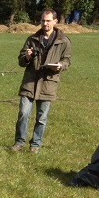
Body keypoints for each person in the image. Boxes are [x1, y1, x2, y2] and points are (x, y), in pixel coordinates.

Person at [11, 9, 71, 153]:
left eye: (48, 21)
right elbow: (21, 60)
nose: (45, 23)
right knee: (23, 114)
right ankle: (19, 142)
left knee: (41, 118)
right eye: (43, 21)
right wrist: (27, 56)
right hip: (30, 83)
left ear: (55, 21)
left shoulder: (64, 41)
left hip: (48, 84)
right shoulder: (32, 39)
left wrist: (60, 66)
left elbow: (67, 60)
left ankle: (35, 145)